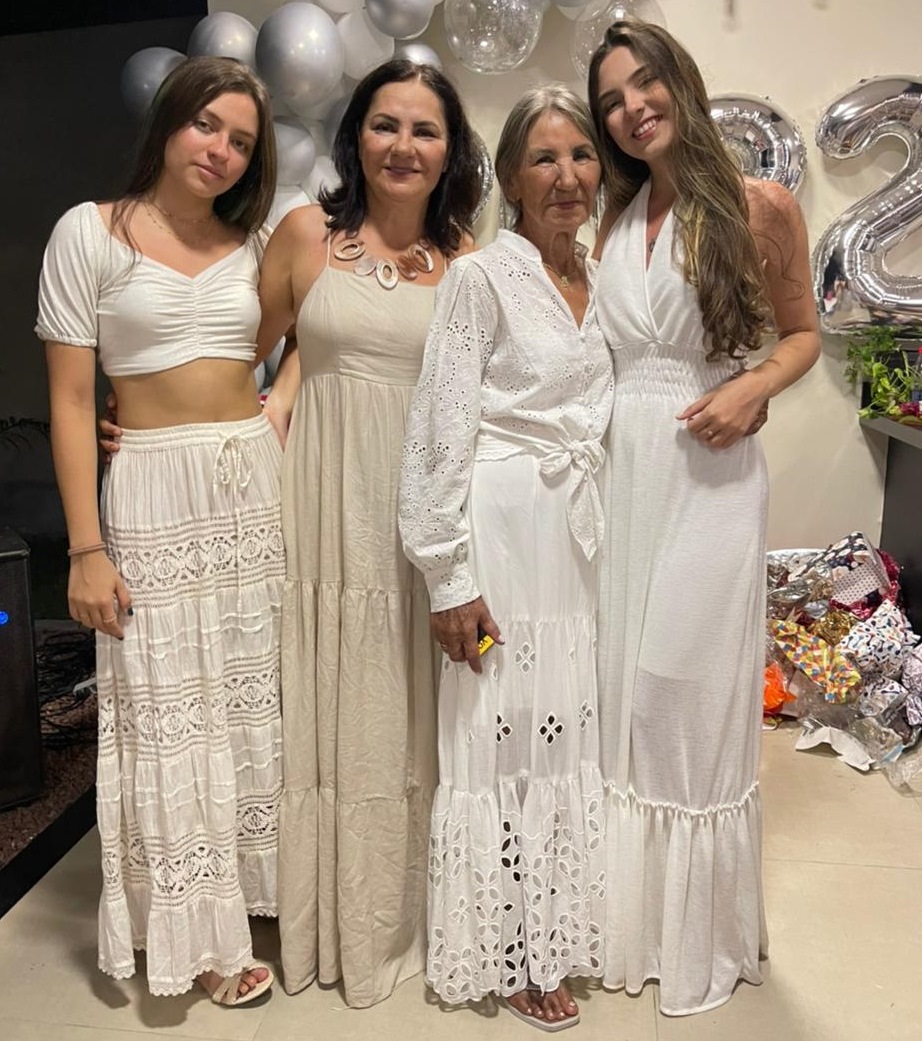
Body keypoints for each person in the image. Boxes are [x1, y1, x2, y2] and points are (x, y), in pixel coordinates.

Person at [35, 56, 283, 1005]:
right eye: (206, 125)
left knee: (252, 698)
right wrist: (85, 548)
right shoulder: (89, 233)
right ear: (169, 123)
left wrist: (281, 400)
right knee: (169, 706)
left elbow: (322, 327)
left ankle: (257, 895)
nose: (220, 150)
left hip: (252, 487)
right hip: (149, 492)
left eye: (241, 141)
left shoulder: (257, 244)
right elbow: (70, 402)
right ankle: (197, 934)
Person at [586, 20, 821, 1016]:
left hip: (709, 473)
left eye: (643, 83)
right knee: (619, 697)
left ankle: (696, 935)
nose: (631, 108)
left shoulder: (758, 205)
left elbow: (802, 333)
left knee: (678, 693)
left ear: (678, 81)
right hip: (618, 476)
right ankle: (623, 922)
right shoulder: (615, 215)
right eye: (610, 99)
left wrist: (754, 385)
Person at [255, 58, 482, 1007]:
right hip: (318, 506)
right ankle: (320, 912)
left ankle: (402, 912)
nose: (403, 145)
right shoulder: (304, 235)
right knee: (323, 699)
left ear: (449, 151)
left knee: (405, 711)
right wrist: (145, 417)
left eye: (425, 130)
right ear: (355, 137)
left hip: (417, 517)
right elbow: (236, 359)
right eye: (385, 124)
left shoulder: (467, 260)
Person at [399, 86, 613, 1031]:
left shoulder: (603, 280)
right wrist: (448, 578)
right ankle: (510, 949)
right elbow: (436, 434)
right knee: (496, 726)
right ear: (512, 181)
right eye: (543, 158)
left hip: (574, 537)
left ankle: (554, 928)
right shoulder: (481, 278)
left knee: (558, 724)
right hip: (498, 534)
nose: (566, 176)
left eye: (581, 155)